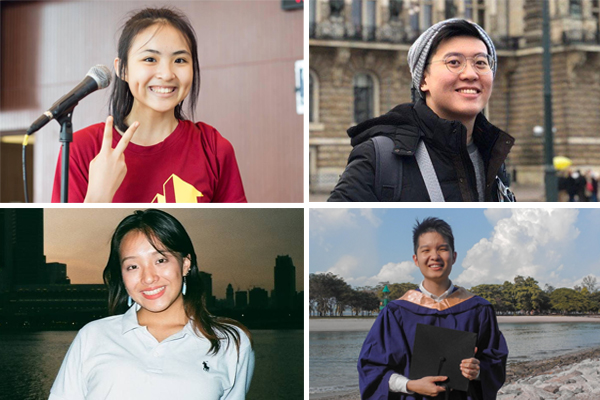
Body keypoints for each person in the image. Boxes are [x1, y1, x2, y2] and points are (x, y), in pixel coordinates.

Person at [49, 209, 254, 399]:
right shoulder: (93, 336)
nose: (148, 278)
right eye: (133, 266)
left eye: (160, 260)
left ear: (185, 264)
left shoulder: (229, 342)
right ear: (121, 275)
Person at [51, 7, 246, 203]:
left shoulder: (214, 149)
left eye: (180, 60)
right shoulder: (81, 148)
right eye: (150, 59)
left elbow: (238, 231)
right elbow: (64, 233)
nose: (167, 74)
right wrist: (98, 196)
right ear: (122, 69)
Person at [328, 19, 515, 202]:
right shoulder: (378, 157)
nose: (470, 74)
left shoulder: (492, 154)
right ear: (423, 80)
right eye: (454, 62)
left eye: (481, 63)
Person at [358, 217, 508, 400]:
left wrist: (477, 371)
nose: (434, 256)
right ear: (416, 259)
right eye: (426, 250)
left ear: (454, 257)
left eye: (442, 249)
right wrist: (410, 385)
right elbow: (372, 369)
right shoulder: (397, 312)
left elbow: (495, 363)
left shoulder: (478, 309)